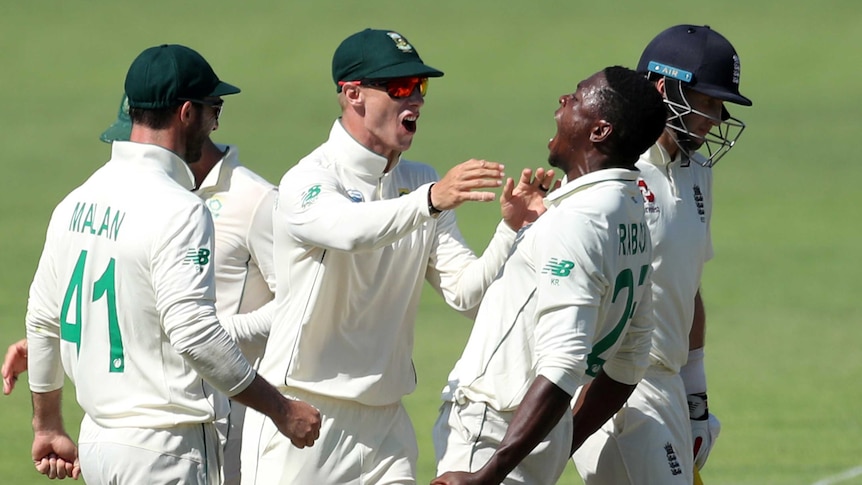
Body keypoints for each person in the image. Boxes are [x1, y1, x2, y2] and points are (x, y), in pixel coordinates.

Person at [241, 28, 552, 485]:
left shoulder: (420, 181)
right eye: (400, 87)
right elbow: (349, 229)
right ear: (353, 95)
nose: (417, 100)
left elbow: (466, 295)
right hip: (305, 417)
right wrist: (430, 200)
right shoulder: (308, 181)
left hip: (387, 426)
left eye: (420, 87)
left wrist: (510, 232)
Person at [24, 43, 320, 483]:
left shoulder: (76, 201)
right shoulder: (180, 208)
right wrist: (281, 410)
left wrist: (47, 425)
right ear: (186, 113)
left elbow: (42, 321)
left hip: (98, 443)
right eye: (214, 108)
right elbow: (195, 333)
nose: (215, 122)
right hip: (164, 450)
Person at [430, 66, 667, 485]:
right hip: (539, 432)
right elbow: (630, 359)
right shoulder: (630, 212)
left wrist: (488, 473)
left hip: (492, 430)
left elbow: (563, 361)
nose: (563, 100)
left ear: (599, 131)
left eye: (576, 98)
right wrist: (563, 436)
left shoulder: (576, 222)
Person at [572, 25, 753, 484]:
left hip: (667, 385)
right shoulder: (613, 169)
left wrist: (696, 400)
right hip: (617, 386)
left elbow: (687, 287)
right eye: (705, 102)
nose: (714, 118)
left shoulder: (697, 171)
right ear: (663, 87)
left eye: (719, 105)